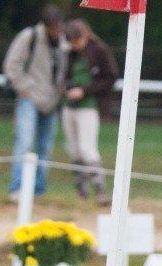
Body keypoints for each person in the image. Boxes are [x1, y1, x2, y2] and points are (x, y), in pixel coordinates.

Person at [3, 5, 68, 201]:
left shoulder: (64, 42)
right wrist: (24, 88)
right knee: (24, 142)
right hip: (29, 99)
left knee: (45, 147)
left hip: (52, 101)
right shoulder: (29, 37)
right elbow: (11, 65)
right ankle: (17, 188)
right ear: (47, 26)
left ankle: (38, 190)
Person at [61, 19, 117, 205]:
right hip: (70, 105)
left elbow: (110, 78)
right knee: (73, 149)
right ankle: (81, 190)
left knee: (87, 148)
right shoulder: (69, 53)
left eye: (76, 41)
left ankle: (100, 190)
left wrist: (84, 91)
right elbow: (65, 75)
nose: (74, 45)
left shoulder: (100, 50)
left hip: (89, 105)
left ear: (84, 35)